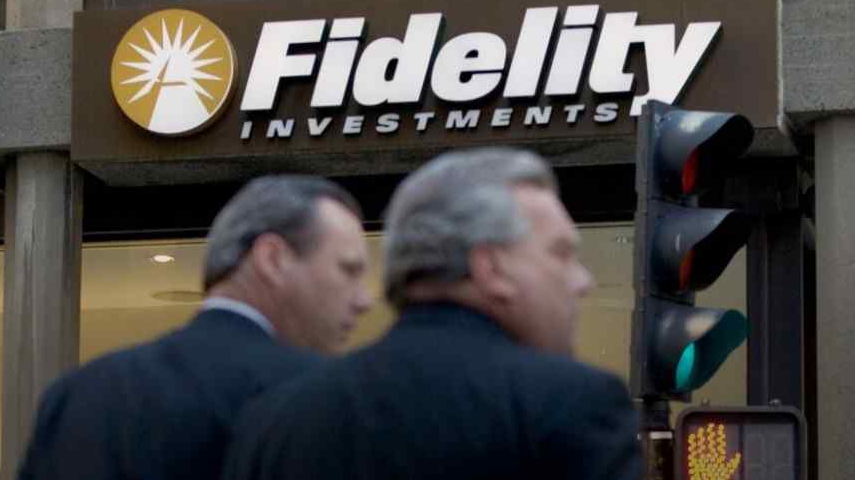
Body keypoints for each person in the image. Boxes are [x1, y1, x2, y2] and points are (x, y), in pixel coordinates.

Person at [223, 147, 641, 480]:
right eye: (561, 253)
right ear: (491, 268)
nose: (582, 280)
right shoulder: (572, 404)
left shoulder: (275, 419)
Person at [18, 175, 373, 480]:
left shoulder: (76, 395)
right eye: (349, 270)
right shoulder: (328, 398)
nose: (364, 300)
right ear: (272, 259)